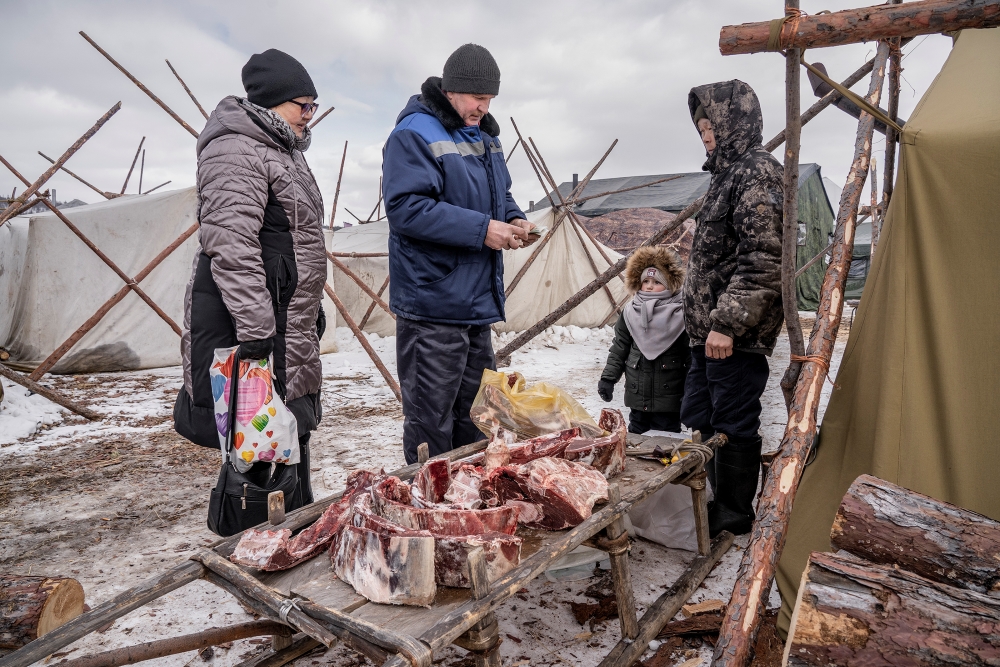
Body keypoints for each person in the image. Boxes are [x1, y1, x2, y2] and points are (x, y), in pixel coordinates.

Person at [173, 49, 327, 506]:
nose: (309, 116)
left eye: (312, 106)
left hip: (285, 320)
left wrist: (309, 309)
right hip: (255, 324)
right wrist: (257, 330)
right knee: (258, 454)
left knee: (286, 439)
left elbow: (295, 242)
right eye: (303, 105)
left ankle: (291, 539)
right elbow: (232, 245)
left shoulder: (285, 152)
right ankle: (259, 547)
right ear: (272, 102)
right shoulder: (236, 148)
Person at [382, 44, 535, 465]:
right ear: (451, 90)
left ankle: (467, 504)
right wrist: (483, 230)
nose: (483, 108)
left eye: (489, 100)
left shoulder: (486, 138)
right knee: (431, 422)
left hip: (474, 304)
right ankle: (428, 509)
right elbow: (405, 209)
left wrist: (515, 219)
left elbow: (498, 196)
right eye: (476, 98)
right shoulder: (415, 133)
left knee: (475, 417)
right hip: (433, 304)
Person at [680, 80, 784, 537]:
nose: (705, 135)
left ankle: (734, 514)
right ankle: (712, 497)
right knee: (699, 414)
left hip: (733, 335)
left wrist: (726, 323)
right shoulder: (725, 175)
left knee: (733, 419)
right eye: (700, 127)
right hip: (708, 334)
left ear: (733, 122)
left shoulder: (757, 173)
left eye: (711, 125)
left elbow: (764, 257)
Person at [597, 247, 690, 434]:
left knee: (665, 440)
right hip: (637, 393)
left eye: (657, 282)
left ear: (670, 284)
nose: (649, 286)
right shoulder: (630, 311)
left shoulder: (681, 314)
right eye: (645, 281)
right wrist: (608, 378)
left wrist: (691, 392)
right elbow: (620, 347)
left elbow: (690, 357)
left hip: (670, 396)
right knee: (636, 441)